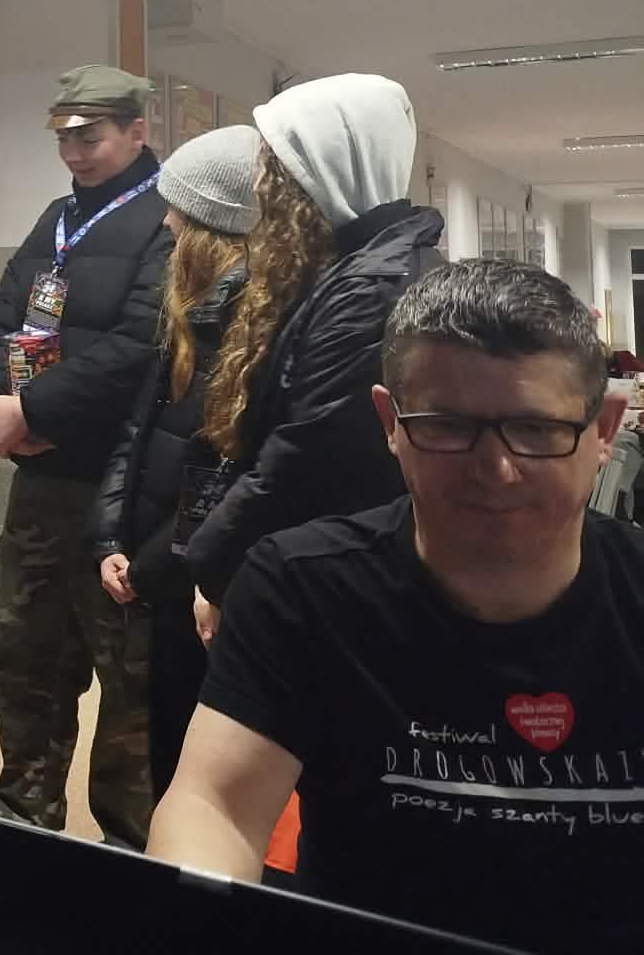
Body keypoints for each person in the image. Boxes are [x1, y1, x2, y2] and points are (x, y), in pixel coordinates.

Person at [149, 260, 644, 954]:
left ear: (604, 430)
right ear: (390, 422)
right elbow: (218, 807)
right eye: (446, 426)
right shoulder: (304, 587)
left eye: (536, 430)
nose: (495, 470)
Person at [0, 64, 173, 847]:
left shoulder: (165, 220)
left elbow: (143, 343)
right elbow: (2, 319)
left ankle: (130, 848)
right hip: (40, 488)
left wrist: (38, 410)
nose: (74, 153)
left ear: (137, 131)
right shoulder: (55, 219)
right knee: (25, 661)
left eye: (90, 137)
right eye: (64, 138)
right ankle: (23, 817)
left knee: (129, 683)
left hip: (117, 492)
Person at [185, 75, 443, 645]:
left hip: (329, 589)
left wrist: (213, 569)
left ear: (322, 171)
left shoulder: (372, 290)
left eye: (274, 170)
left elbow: (303, 459)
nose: (261, 188)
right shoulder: (361, 267)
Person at [93, 124, 258, 798]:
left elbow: (225, 474)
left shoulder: (252, 328)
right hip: (157, 571)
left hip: (198, 583)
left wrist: (153, 565)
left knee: (193, 765)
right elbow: (136, 433)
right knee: (160, 744)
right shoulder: (189, 314)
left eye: (178, 212)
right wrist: (109, 537)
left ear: (214, 228)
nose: (165, 223)